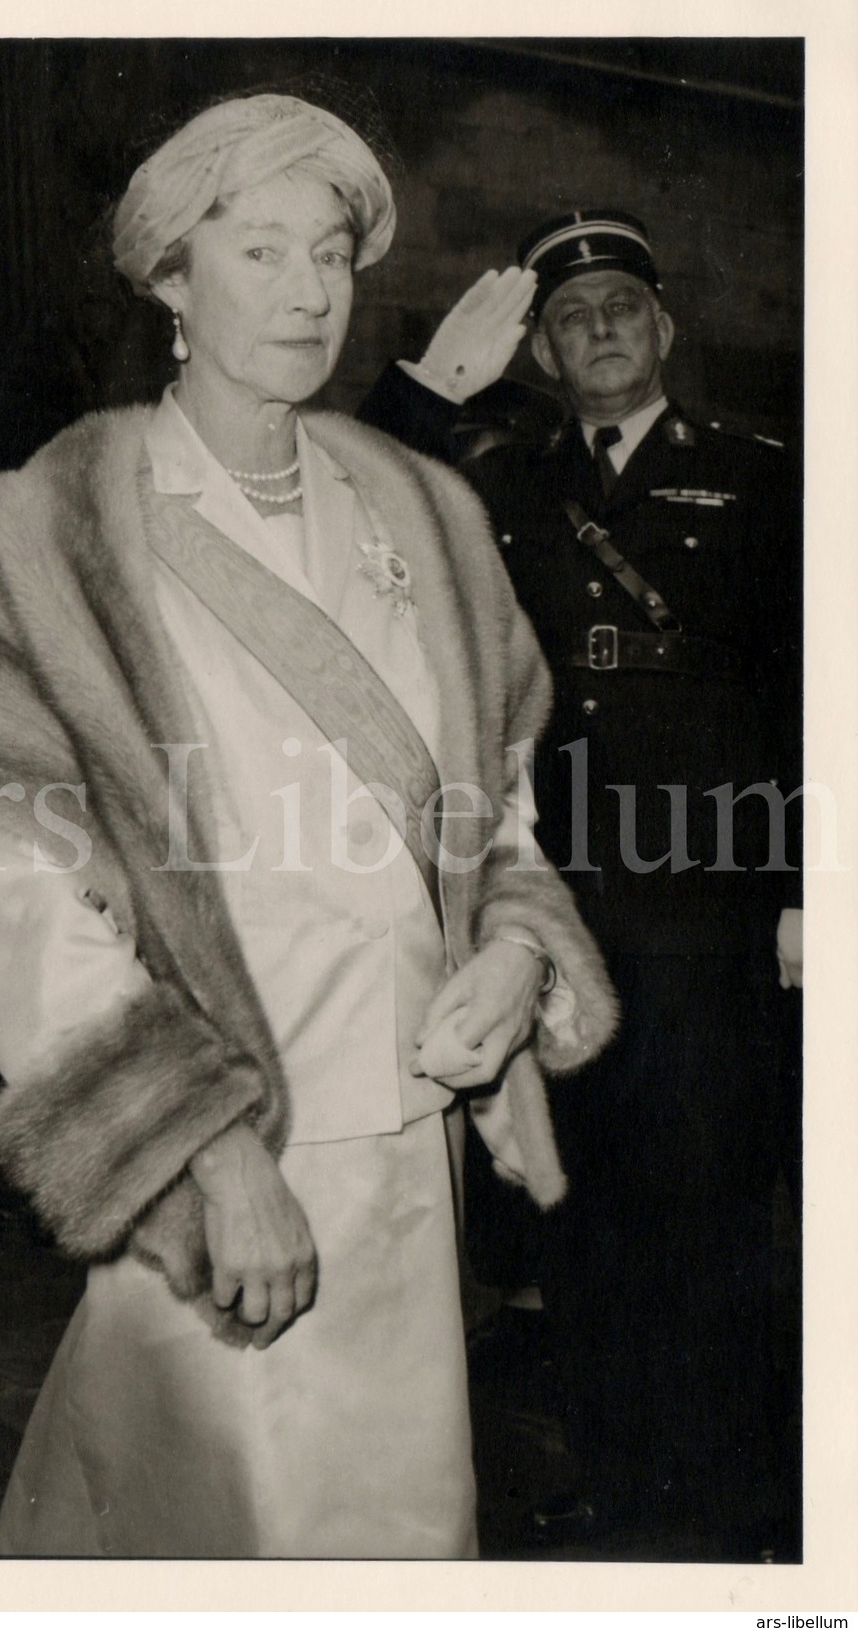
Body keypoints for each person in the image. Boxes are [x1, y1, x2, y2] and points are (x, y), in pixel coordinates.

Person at [0, 101, 617, 1560]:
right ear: (171, 277)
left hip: (406, 1150)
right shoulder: (37, 541)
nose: (306, 291)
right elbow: (25, 903)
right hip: (219, 1153)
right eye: (260, 248)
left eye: (333, 255)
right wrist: (210, 1158)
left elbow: (497, 822)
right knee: (211, 1522)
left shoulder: (426, 515)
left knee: (396, 1535)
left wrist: (515, 957)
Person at [359, 210, 803, 1556]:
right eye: (569, 317)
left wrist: (810, 889)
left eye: (622, 304)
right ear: (539, 356)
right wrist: (420, 390)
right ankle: (617, 1482)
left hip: (712, 904)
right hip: (555, 912)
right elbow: (368, 494)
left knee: (716, 1208)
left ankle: (741, 1498)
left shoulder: (768, 476)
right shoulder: (507, 479)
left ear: (665, 329)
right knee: (582, 1213)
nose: (599, 326)